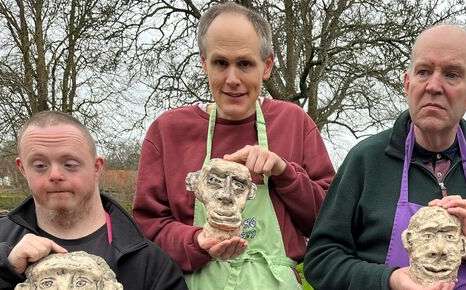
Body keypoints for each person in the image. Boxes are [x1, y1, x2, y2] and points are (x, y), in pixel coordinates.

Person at [304, 24, 466, 290]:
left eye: (452, 74)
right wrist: (388, 281)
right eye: (424, 72)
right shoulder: (366, 160)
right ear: (407, 83)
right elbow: (321, 260)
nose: (434, 86)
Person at [131, 2, 335, 290]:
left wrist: (284, 174)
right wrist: (196, 242)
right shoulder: (168, 131)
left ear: (267, 65)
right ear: (204, 63)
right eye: (220, 63)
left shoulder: (294, 123)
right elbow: (147, 227)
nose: (232, 79)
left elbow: (329, 221)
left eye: (245, 64)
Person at [0, 111, 187, 290]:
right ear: (22, 169)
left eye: (70, 164)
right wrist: (1, 268)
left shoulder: (148, 262)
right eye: (40, 165)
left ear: (97, 167)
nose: (55, 175)